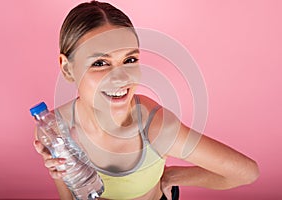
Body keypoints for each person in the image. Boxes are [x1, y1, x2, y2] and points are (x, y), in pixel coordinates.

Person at [33, 1, 259, 199]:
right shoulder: (54, 130)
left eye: (129, 59)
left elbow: (247, 172)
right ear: (67, 68)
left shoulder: (159, 129)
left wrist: (175, 175)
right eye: (100, 63)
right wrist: (69, 172)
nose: (120, 77)